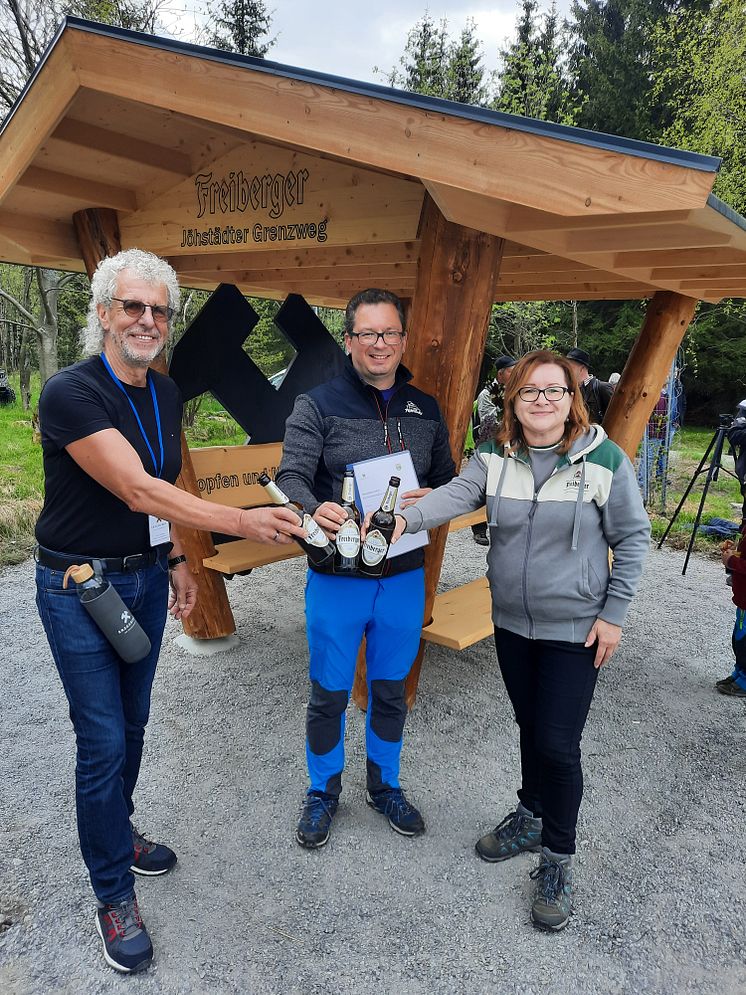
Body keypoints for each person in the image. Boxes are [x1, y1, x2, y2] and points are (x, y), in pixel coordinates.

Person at [34, 248, 305, 974]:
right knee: (102, 741)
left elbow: (161, 479)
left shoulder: (164, 390)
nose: (147, 320)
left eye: (159, 309)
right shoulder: (71, 393)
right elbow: (137, 490)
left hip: (148, 578)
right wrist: (239, 522)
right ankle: (112, 891)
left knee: (134, 723)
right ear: (103, 313)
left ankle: (116, 834)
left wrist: (180, 560)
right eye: (132, 306)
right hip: (78, 588)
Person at [392, 349, 650, 930]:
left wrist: (614, 614)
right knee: (530, 728)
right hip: (511, 622)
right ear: (513, 399)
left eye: (553, 391)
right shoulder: (494, 455)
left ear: (571, 400)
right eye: (530, 390)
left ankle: (557, 857)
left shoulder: (604, 459)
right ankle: (530, 813)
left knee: (558, 745)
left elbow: (633, 538)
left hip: (576, 629)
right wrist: (402, 519)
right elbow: (457, 495)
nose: (541, 400)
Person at [276, 288, 455, 850]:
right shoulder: (316, 403)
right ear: (349, 340)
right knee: (328, 692)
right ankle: (323, 791)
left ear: (403, 340)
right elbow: (291, 478)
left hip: (402, 573)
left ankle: (385, 785)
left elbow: (452, 482)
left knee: (390, 689)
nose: (380, 345)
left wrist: (431, 496)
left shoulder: (424, 407)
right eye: (368, 334)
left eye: (390, 334)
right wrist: (310, 507)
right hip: (337, 574)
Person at [472, 355, 517, 546]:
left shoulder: (516, 391)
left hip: (511, 445)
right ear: (501, 373)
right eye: (511, 371)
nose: (515, 374)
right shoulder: (486, 394)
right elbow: (489, 423)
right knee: (484, 486)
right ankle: (479, 528)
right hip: (489, 445)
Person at [718, 531, 746, 698]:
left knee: (744, 641)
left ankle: (744, 681)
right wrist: (735, 551)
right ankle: (739, 673)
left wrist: (733, 561)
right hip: (742, 601)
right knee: (738, 639)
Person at [566, 347, 614, 424]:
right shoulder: (569, 390)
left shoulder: (602, 388)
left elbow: (616, 418)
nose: (567, 371)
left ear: (581, 369)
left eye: (570, 368)